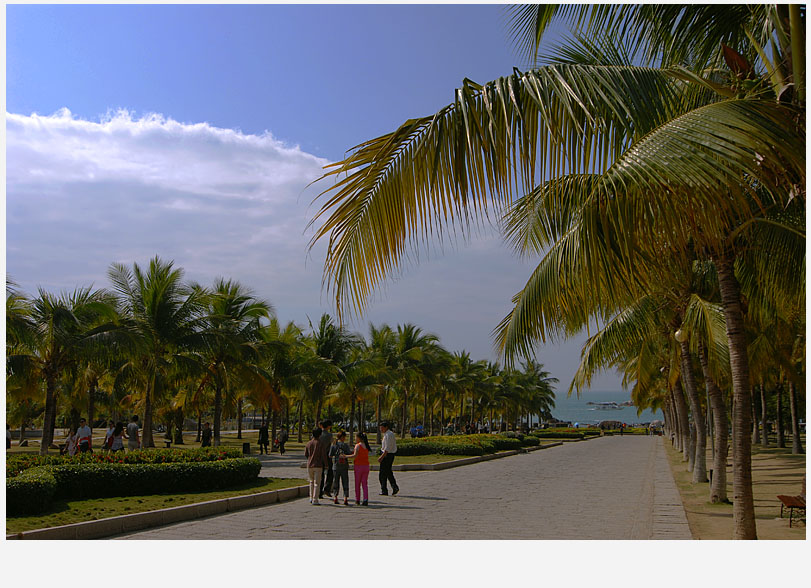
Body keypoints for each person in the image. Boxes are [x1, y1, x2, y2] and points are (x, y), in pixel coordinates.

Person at [345, 431, 372, 505]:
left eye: (355, 437)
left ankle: (357, 499)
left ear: (359, 438)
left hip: (358, 466)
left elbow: (354, 455)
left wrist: (345, 456)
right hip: (366, 466)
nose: (355, 439)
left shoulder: (358, 445)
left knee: (357, 483)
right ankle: (365, 499)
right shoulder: (366, 446)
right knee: (364, 483)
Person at [304, 427, 327, 505]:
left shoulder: (309, 443)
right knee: (317, 483)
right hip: (318, 465)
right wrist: (326, 464)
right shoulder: (320, 443)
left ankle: (311, 497)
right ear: (320, 434)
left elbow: (306, 454)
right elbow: (324, 455)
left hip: (310, 464)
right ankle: (315, 499)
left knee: (311, 481)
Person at [329, 431, 352, 505]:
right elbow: (349, 453)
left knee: (336, 482)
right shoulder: (345, 445)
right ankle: (345, 498)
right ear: (342, 437)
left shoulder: (334, 445)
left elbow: (330, 455)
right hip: (344, 466)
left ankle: (335, 496)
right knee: (345, 481)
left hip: (336, 466)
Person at [378, 421, 399, 496]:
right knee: (388, 472)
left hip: (387, 455)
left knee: (382, 474)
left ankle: (384, 489)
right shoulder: (386, 434)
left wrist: (381, 456)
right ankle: (394, 487)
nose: (381, 429)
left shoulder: (389, 435)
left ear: (386, 427)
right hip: (387, 454)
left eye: (382, 428)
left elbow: (387, 448)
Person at [318, 420, 334, 498]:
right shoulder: (329, 435)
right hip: (327, 456)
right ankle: (327, 488)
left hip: (318, 456)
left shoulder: (318, 434)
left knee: (320, 474)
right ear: (328, 426)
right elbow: (332, 444)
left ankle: (319, 492)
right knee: (330, 472)